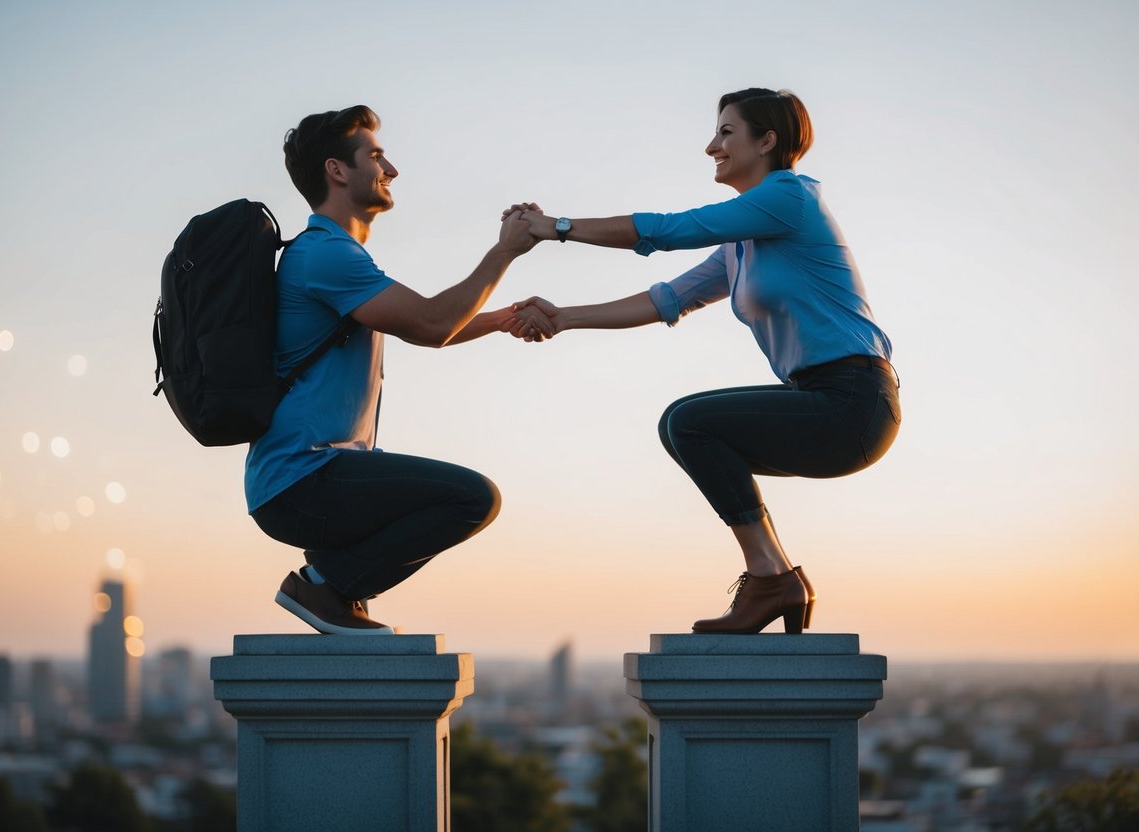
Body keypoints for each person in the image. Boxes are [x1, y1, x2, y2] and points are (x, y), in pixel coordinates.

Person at [503, 88, 900, 634]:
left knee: (691, 422)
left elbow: (670, 230)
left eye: (726, 133)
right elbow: (665, 299)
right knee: (684, 424)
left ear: (768, 141)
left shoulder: (789, 198)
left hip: (853, 401)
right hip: (823, 397)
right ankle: (774, 576)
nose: (712, 146)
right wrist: (563, 316)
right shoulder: (742, 244)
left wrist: (558, 228)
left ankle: (770, 576)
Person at [247, 106, 545, 635]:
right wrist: (504, 253)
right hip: (304, 477)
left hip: (309, 477)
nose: (392, 169)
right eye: (377, 156)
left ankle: (334, 589)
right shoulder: (325, 255)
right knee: (472, 498)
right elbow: (432, 323)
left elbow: (433, 325)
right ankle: (326, 588)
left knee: (454, 497)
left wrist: (499, 320)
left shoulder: (333, 255)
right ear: (338, 170)